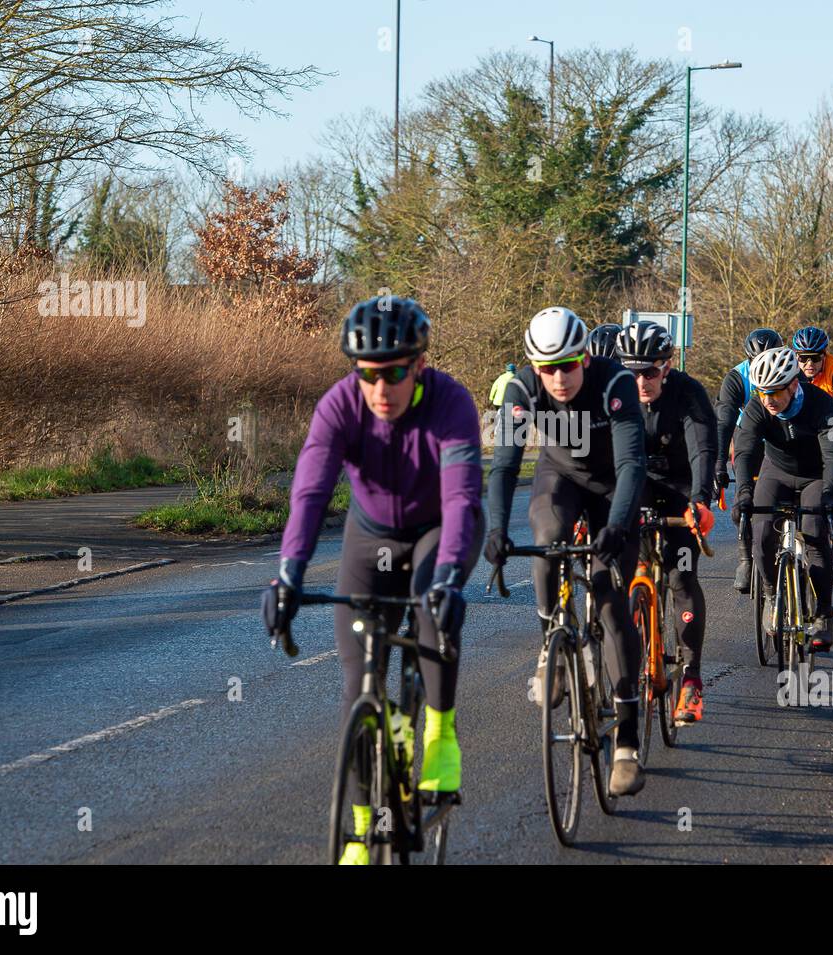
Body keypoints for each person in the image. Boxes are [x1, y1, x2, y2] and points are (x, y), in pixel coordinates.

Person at [262, 295, 484, 865]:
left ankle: (439, 733)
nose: (380, 389)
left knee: (433, 605)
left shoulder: (451, 404)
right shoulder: (339, 406)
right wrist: (289, 573)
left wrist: (453, 579)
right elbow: (310, 493)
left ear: (419, 364)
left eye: (394, 373)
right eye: (368, 375)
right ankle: (362, 830)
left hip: (439, 528)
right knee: (359, 684)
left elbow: (461, 498)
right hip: (371, 539)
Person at [486, 306, 650, 796]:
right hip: (560, 478)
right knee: (546, 538)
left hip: (614, 489)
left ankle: (625, 742)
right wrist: (495, 530)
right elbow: (503, 468)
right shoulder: (520, 388)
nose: (558, 378)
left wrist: (619, 526)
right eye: (547, 368)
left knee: (609, 600)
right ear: (533, 366)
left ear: (583, 357)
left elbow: (632, 465)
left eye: (567, 365)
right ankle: (550, 645)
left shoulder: (614, 384)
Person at [615, 322, 716, 722]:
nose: (640, 382)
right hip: (633, 484)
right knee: (620, 570)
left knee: (681, 578)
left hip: (679, 488)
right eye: (632, 372)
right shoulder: (613, 393)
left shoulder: (688, 393)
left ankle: (691, 679)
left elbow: (703, 448)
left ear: (667, 366)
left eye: (650, 372)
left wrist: (700, 502)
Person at [732, 346, 833, 652]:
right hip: (776, 471)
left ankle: (823, 616)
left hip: (814, 475)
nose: (768, 399)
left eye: (775, 392)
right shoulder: (758, 408)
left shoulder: (823, 406)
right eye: (762, 392)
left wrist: (830, 495)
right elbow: (744, 451)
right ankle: (771, 595)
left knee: (814, 533)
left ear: (794, 384)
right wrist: (743, 492)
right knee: (762, 532)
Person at [714, 327, 783, 592]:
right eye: (756, 362)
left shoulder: (791, 372)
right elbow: (724, 421)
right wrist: (719, 463)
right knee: (742, 504)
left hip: (782, 442)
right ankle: (745, 558)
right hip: (749, 442)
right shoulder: (737, 377)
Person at [792, 325, 833, 585]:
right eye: (803, 357)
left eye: (815, 358)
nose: (808, 363)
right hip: (801, 438)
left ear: (824, 356)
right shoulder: (790, 369)